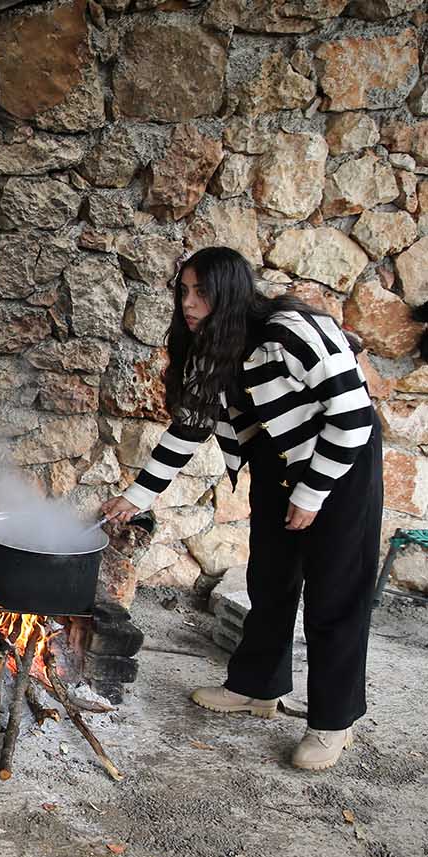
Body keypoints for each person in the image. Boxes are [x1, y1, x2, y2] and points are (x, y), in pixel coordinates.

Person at [102, 247, 381, 771]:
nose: (188, 303)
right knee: (270, 581)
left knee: (334, 598)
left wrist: (311, 494)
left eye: (200, 292)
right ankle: (257, 687)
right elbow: (189, 426)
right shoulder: (212, 343)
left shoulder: (293, 331)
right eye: (183, 291)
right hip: (276, 466)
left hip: (338, 469)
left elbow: (353, 416)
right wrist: (135, 496)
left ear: (229, 292)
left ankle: (332, 723)